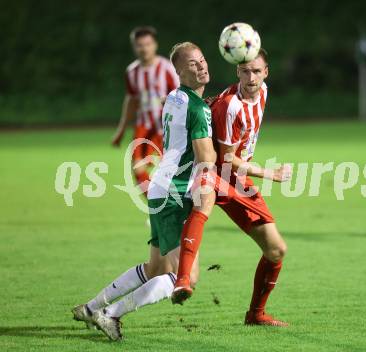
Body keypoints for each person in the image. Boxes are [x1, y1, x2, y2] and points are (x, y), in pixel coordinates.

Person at [72, 42, 216, 341]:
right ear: (178, 71)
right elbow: (206, 157)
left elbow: (187, 114)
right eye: (192, 64)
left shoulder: (175, 98)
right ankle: (109, 315)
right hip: (174, 194)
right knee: (186, 275)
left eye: (202, 60)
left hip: (160, 188)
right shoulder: (197, 108)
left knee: (156, 268)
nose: (201, 66)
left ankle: (91, 307)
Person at [172, 49, 292, 327]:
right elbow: (227, 158)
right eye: (245, 71)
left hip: (238, 177)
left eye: (256, 71)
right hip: (212, 168)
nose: (251, 77)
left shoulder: (263, 93)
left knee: (276, 250)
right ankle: (182, 280)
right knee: (203, 205)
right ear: (237, 72)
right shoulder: (231, 106)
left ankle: (256, 314)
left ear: (266, 73)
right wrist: (270, 174)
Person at [111, 26, 179, 195]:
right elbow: (132, 100)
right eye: (139, 45)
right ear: (134, 47)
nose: (144, 48)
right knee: (138, 170)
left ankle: (170, 211)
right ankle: (160, 211)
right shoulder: (132, 71)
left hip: (166, 127)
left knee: (171, 173)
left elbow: (181, 97)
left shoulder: (167, 68)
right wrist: (121, 129)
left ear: (155, 45)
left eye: (147, 44)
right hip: (143, 126)